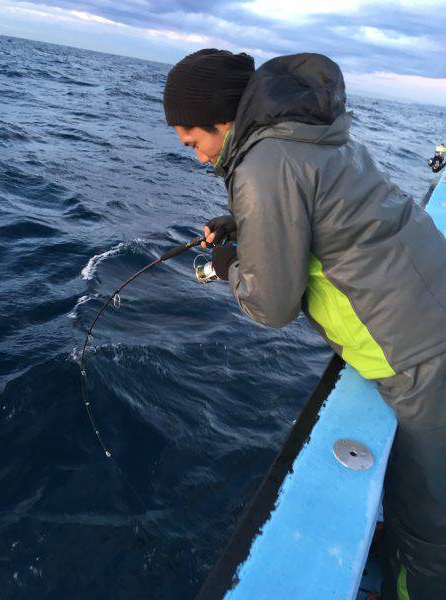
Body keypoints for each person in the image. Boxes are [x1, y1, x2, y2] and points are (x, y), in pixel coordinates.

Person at [163, 49, 446, 600]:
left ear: (223, 122)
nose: (197, 159)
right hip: (432, 302)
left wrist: (229, 265)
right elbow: (327, 210)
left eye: (193, 143)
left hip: (418, 348)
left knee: (427, 526)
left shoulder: (261, 168)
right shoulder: (304, 132)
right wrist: (245, 224)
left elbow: (272, 306)